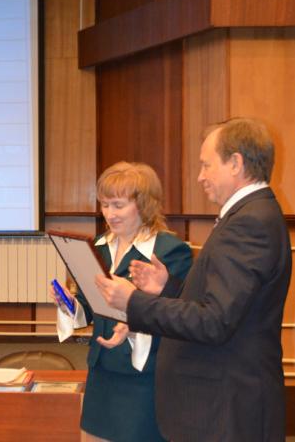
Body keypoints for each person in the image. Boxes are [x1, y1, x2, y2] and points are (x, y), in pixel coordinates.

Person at [96, 118, 292, 442]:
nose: (200, 176)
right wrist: (169, 288)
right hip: (222, 406)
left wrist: (133, 302)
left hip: (224, 411)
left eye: (206, 165)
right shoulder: (250, 215)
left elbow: (214, 322)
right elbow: (224, 304)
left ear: (235, 163)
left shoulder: (248, 223)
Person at [51, 162, 192, 442]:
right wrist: (69, 304)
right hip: (102, 374)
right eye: (104, 205)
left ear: (143, 204)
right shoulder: (100, 246)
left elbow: (180, 318)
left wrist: (132, 321)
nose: (109, 214)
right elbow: (89, 308)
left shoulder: (169, 251)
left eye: (118, 205)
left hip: (144, 378)